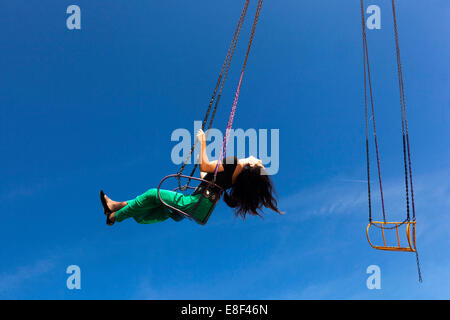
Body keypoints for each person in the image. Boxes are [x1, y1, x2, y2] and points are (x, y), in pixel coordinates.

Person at [100, 129, 283, 226]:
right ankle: (115, 206)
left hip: (196, 203)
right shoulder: (234, 177)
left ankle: (115, 217)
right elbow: (206, 174)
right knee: (156, 206)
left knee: (151, 195)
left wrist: (202, 142)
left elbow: (204, 166)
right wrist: (202, 153)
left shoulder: (235, 163)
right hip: (201, 208)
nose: (258, 158)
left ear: (251, 166)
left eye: (259, 161)